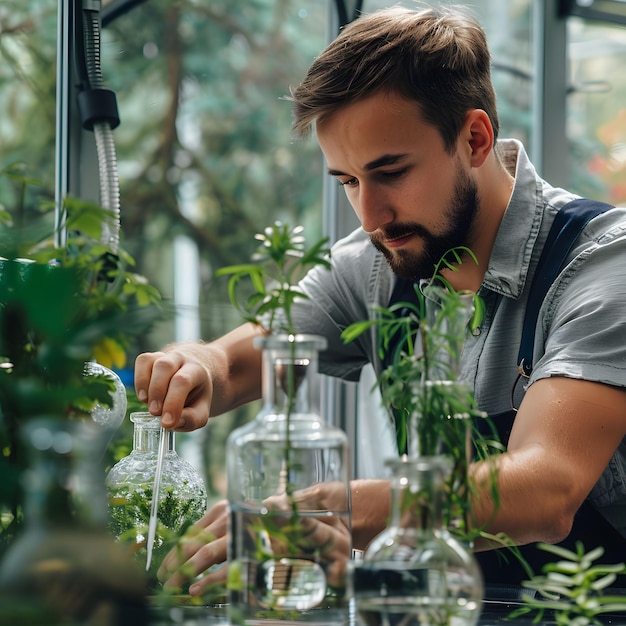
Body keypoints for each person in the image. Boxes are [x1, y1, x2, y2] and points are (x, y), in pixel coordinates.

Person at [134, 5, 626, 594]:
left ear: (475, 137)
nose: (369, 215)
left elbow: (544, 488)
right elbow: (247, 355)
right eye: (347, 181)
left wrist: (325, 510)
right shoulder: (379, 263)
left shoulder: (601, 265)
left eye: (390, 172)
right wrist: (199, 366)